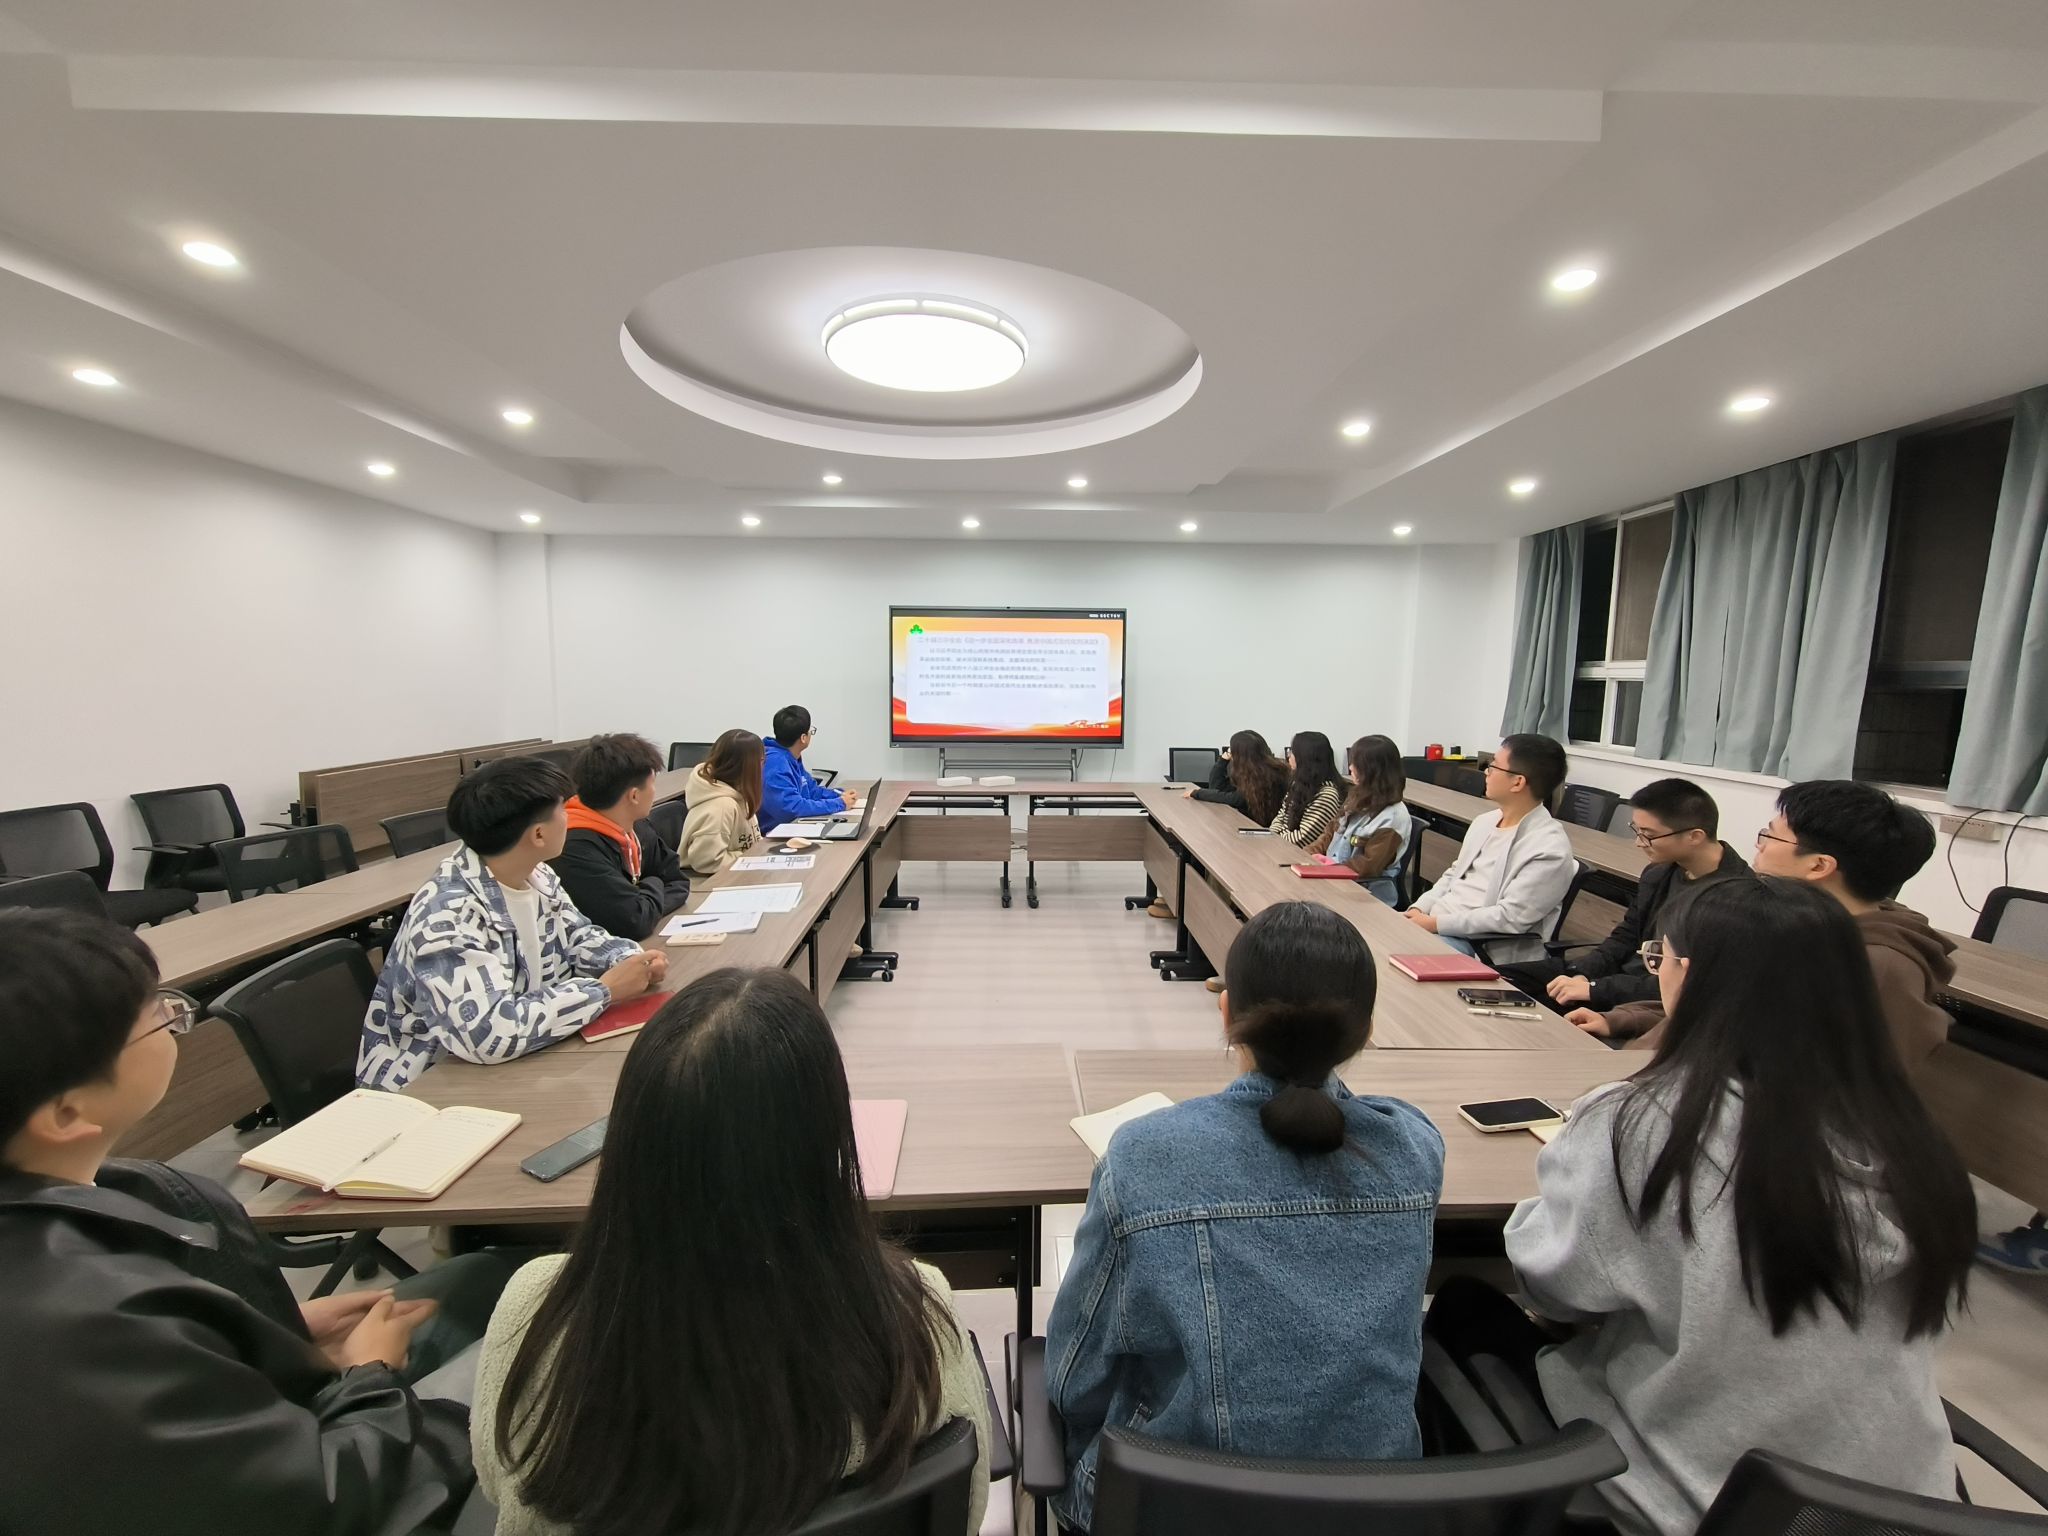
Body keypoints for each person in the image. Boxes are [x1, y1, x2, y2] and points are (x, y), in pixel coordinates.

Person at [1473, 878, 1976, 1536]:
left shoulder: (1646, 1123)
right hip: (1896, 1504)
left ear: (1692, 976)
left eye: (1659, 957)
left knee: (1470, 1309)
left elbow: (1556, 1289)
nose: (1656, 971)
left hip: (1710, 1497)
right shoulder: (1910, 1133)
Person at [0, 908, 490, 1535]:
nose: (172, 1020)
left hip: (294, 1424)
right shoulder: (76, 1328)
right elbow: (317, 1504)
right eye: (157, 1018)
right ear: (66, 1114)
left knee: (487, 1276)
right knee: (558, 1332)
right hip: (368, 1489)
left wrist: (257, 1335)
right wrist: (372, 1378)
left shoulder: (89, 1207)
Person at [474, 967, 989, 1536]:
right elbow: (965, 1507)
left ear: (631, 1142)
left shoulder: (533, 1315)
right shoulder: (917, 1318)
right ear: (826, 1140)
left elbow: (500, 1482)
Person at [1044, 903, 1444, 1534]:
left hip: (1172, 1509)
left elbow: (1074, 1379)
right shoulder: (1415, 1149)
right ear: (1366, 1032)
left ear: (1227, 1014)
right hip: (1371, 1512)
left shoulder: (1144, 1155)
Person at [1589, 781, 1954, 1068]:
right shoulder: (1788, 920)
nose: (1759, 846)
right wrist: (1623, 1018)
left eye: (1770, 835)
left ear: (1818, 866)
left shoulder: (1876, 968)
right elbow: (1712, 1001)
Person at [359, 757, 665, 1091]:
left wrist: (630, 960)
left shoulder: (537, 874)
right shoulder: (447, 915)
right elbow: (488, 1032)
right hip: (427, 1086)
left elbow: (577, 936)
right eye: (563, 810)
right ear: (538, 834)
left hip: (511, 1062)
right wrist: (603, 991)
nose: (570, 816)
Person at [1499, 778, 1747, 1014]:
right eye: (1636, 830)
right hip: (1616, 979)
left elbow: (1689, 983)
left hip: (1649, 1000)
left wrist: (1595, 989)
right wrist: (1582, 973)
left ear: (1695, 836)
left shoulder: (1737, 899)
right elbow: (1625, 937)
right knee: (1501, 979)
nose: (1638, 843)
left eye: (1648, 834)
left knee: (1520, 1009)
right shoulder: (1659, 873)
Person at [1404, 734, 1575, 963]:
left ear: (1518, 782)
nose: (1486, 772)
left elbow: (1509, 918)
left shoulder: (1548, 849)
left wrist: (1435, 924)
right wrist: (1419, 909)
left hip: (1477, 944)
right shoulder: (1485, 821)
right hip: (1436, 924)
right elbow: (1454, 874)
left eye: (1493, 766)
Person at [549, 733, 692, 940]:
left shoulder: (636, 827)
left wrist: (644, 897)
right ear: (634, 795)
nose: (654, 791)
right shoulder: (573, 847)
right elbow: (633, 922)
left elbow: (677, 881)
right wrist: (654, 882)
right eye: (653, 783)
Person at [1151, 730, 1288, 920]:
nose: (1230, 754)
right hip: (1245, 831)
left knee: (1203, 849)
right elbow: (1218, 787)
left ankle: (1188, 908)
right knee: (1198, 846)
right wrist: (1222, 761)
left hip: (1257, 838)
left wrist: (1197, 793)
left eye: (1232, 751)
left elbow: (1235, 799)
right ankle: (1181, 901)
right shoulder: (1254, 771)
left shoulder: (1269, 775)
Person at [1327, 734, 1415, 906]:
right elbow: (1329, 834)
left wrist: (1323, 871)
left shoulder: (1393, 818)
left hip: (1365, 894)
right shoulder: (1358, 797)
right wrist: (1305, 859)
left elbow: (1367, 867)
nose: (1350, 768)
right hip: (1333, 879)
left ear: (1372, 770)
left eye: (1356, 764)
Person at [759, 704, 859, 834]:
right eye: (810, 730)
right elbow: (791, 809)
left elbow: (812, 791)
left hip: (794, 828)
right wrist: (839, 804)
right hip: (774, 835)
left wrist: (840, 795)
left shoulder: (791, 756)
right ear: (803, 738)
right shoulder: (775, 763)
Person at [679, 728, 765, 876]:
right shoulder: (721, 807)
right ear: (749, 766)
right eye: (762, 761)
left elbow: (752, 842)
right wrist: (752, 857)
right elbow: (708, 862)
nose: (763, 768)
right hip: (708, 882)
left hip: (734, 873)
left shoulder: (738, 794)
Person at [1269, 730, 1343, 849]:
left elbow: (1303, 838)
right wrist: (1271, 835)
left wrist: (1274, 839)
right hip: (1281, 845)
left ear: (1305, 758)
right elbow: (1281, 816)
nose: (1289, 756)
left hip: (1299, 853)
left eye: (1293, 752)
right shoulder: (1299, 784)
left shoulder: (1327, 795)